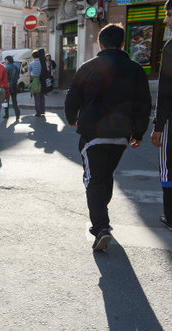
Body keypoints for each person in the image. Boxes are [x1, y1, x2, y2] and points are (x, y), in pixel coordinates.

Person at [65, 23, 151, 251]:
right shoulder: (135, 69)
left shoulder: (87, 67)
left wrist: (71, 118)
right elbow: (144, 104)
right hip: (121, 137)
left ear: (100, 44)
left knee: (93, 181)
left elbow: (72, 97)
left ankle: (101, 227)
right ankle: (100, 214)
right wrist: (138, 132)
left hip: (93, 135)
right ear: (123, 43)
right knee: (104, 175)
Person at [150, 0, 172, 231]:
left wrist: (158, 127)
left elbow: (165, 91)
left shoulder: (171, 47)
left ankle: (170, 216)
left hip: (171, 122)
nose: (165, 20)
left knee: (168, 167)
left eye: (169, 14)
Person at [28, 50, 45, 117]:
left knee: (37, 97)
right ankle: (42, 110)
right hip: (42, 81)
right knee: (42, 97)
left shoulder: (31, 64)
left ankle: (38, 112)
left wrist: (33, 75)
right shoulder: (43, 63)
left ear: (33, 56)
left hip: (35, 81)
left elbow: (29, 73)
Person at [3, 55, 21, 120]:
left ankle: (6, 114)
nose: (5, 61)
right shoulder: (17, 67)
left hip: (8, 86)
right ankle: (17, 114)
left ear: (7, 60)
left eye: (5, 60)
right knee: (14, 101)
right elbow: (18, 77)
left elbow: (4, 78)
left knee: (6, 101)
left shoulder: (6, 68)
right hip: (15, 85)